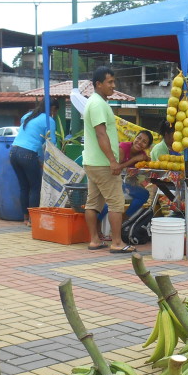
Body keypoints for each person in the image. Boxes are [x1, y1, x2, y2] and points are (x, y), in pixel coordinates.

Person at [83, 66, 134, 253]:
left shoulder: (96, 102)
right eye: (110, 82)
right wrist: (113, 161)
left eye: (114, 81)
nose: (114, 85)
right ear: (98, 84)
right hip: (102, 164)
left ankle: (95, 240)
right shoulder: (97, 104)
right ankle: (117, 242)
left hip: (92, 162)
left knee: (93, 203)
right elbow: (101, 133)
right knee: (116, 203)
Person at [10, 99, 60, 225]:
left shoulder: (28, 116)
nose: (55, 114)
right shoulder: (49, 121)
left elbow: (31, 136)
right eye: (56, 111)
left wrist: (38, 158)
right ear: (53, 108)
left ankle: (26, 218)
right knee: (35, 186)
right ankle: (33, 219)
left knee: (24, 186)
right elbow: (52, 144)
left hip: (13, 152)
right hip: (27, 154)